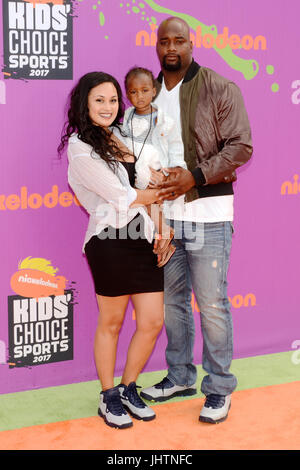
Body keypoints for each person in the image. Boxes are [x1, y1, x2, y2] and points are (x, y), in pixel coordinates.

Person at [140, 17, 253, 424]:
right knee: (173, 305)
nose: (171, 47)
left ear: (192, 43)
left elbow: (242, 145)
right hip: (166, 220)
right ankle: (180, 376)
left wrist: (196, 175)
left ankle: (219, 387)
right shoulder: (146, 94)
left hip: (208, 214)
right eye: (164, 41)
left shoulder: (219, 87)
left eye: (179, 40)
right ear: (156, 46)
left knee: (211, 304)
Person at [58, 71, 174, 429]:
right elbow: (122, 196)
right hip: (107, 241)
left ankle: (128, 388)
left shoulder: (121, 138)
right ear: (84, 104)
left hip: (143, 238)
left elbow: (147, 181)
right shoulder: (80, 148)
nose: (108, 107)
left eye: (112, 100)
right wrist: (163, 193)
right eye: (99, 100)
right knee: (112, 321)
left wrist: (164, 225)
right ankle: (108, 396)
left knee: (153, 320)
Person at [113, 66, 187, 261]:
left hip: (155, 171)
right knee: (146, 210)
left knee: (151, 205)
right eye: (134, 92)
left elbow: (177, 152)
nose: (140, 96)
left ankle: (164, 241)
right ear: (127, 94)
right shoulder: (127, 118)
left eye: (145, 90)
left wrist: (166, 175)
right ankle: (165, 242)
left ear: (154, 91)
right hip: (135, 173)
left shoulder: (165, 121)